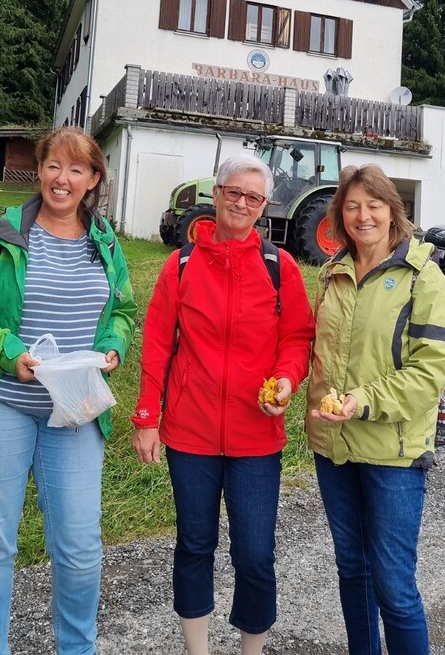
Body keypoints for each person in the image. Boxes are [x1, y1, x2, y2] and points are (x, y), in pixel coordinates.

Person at [0, 127, 136, 655]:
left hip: (76, 409)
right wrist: (10, 352)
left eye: (77, 169)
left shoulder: (105, 243)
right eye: (54, 166)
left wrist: (112, 345)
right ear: (40, 171)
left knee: (80, 549)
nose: (62, 178)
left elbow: (121, 310)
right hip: (2, 405)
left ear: (93, 179)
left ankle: (77, 649)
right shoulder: (3, 235)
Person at [132, 154, 315, 655]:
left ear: (264, 205)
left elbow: (298, 337)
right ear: (216, 194)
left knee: (255, 554)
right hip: (190, 433)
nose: (241, 203)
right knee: (194, 545)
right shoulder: (181, 264)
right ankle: (198, 650)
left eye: (253, 197)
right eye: (233, 192)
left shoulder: (280, 267)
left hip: (257, 436)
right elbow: (157, 344)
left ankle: (251, 650)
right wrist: (147, 416)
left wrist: (286, 379)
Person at [307, 164, 445, 655]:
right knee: (353, 569)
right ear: (340, 214)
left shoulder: (424, 277)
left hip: (394, 452)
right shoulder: (334, 273)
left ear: (394, 211)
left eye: (373, 205)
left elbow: (429, 373)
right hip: (334, 446)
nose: (363, 216)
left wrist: (361, 401)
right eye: (352, 206)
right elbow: (318, 350)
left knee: (393, 584)